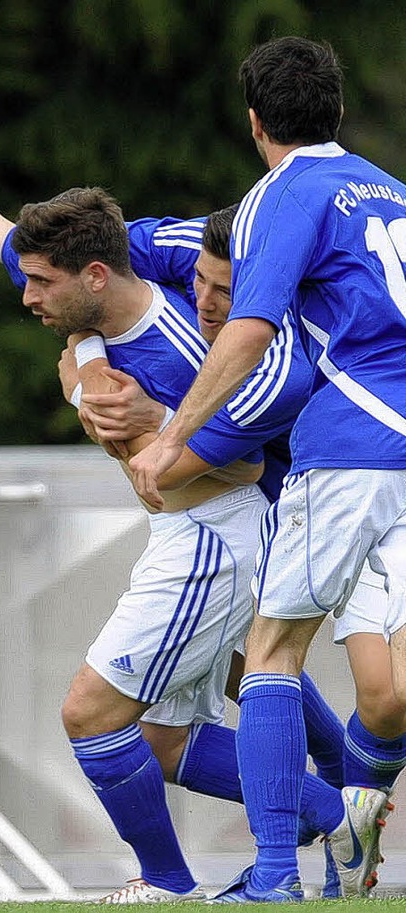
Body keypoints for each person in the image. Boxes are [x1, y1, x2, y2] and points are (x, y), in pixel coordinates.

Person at [0, 95, 371, 902]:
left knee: (90, 712)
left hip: (213, 536)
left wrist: (143, 420)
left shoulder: (186, 357)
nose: (26, 293)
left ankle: (179, 877)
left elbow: (237, 472)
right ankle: (333, 808)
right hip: (199, 535)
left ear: (95, 275)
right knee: (167, 738)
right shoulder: (101, 308)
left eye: (41, 283)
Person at [127, 36, 406, 903]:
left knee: (271, 653)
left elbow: (247, 331)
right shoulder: (391, 190)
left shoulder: (277, 198)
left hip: (354, 442)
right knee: (387, 690)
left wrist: (173, 440)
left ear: (255, 123)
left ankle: (278, 873)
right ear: (340, 113)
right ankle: (353, 814)